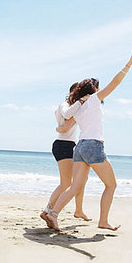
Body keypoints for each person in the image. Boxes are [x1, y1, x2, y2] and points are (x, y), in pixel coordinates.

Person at [43, 45, 132, 232]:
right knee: (111, 185)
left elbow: (65, 126)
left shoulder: (77, 107)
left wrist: (58, 127)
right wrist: (129, 63)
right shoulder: (93, 100)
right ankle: (103, 221)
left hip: (79, 148)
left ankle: (52, 214)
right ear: (93, 89)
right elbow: (115, 83)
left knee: (74, 186)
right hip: (93, 146)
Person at [39, 83, 91, 228]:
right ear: (71, 92)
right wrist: (81, 102)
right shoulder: (65, 105)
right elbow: (66, 121)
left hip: (67, 145)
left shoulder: (73, 107)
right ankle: (48, 211)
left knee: (75, 181)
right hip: (63, 145)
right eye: (76, 92)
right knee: (66, 183)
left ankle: (75, 210)